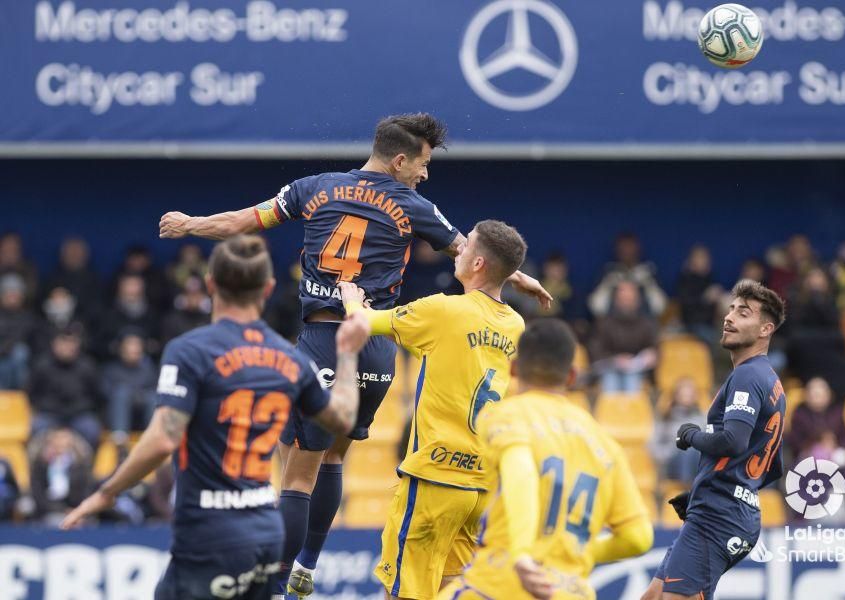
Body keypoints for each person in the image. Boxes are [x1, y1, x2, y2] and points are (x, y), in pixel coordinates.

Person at [158, 113, 552, 595]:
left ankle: (278, 584)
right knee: (333, 460)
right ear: (401, 159)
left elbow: (241, 222)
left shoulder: (313, 188)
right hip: (379, 353)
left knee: (296, 473)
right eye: (423, 165)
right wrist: (519, 277)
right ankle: (307, 562)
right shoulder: (414, 205)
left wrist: (188, 224)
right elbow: (473, 253)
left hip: (327, 338)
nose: (424, 175)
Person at [61, 235, 370, 600]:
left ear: (210, 284)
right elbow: (343, 419)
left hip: (209, 535)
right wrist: (348, 352)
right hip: (266, 534)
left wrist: (106, 493)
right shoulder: (291, 359)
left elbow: (162, 439)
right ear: (268, 289)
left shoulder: (189, 351)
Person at [339, 220, 527, 600]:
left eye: (466, 244)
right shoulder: (516, 325)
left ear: (478, 264)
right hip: (479, 485)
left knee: (403, 593)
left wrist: (349, 295)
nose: (457, 248)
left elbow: (361, 323)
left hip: (434, 478)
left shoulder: (444, 310)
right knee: (451, 592)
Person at [437, 319, 654, 600]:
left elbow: (521, 470)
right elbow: (639, 538)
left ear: (514, 368)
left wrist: (523, 554)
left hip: (502, 583)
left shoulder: (504, 414)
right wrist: (581, 551)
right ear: (572, 376)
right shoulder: (604, 441)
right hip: (571, 591)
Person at [641, 280, 787, 600]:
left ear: (765, 329)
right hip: (725, 510)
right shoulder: (770, 381)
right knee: (653, 596)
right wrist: (706, 488)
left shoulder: (748, 375)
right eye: (731, 308)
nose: (730, 316)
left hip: (718, 517)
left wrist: (693, 435)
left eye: (743, 313)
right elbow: (772, 465)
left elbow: (733, 441)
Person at [28, 324, 103, 449]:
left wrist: (83, 407)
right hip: (50, 414)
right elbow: (32, 393)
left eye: (71, 342)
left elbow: (97, 395)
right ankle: (40, 466)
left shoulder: (88, 366)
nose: (67, 346)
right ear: (54, 344)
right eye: (63, 342)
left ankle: (85, 466)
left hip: (79, 414)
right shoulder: (42, 366)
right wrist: (45, 406)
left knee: (91, 429)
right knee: (38, 427)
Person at [589, 280, 658, 393]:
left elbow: (654, 348)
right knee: (610, 379)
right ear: (616, 301)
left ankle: (632, 410)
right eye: (623, 299)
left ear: (638, 301)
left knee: (631, 378)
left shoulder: (647, 325)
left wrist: (650, 355)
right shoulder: (603, 324)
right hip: (608, 368)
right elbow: (595, 350)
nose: (627, 303)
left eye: (630, 299)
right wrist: (615, 359)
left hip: (637, 371)